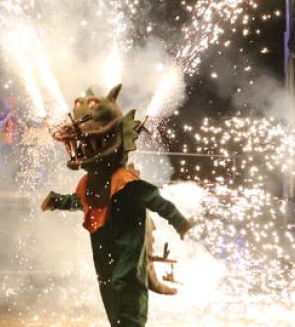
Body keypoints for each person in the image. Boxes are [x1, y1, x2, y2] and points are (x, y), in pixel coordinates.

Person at [41, 85, 193, 327]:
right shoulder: (88, 183)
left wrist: (181, 223)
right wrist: (58, 200)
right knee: (107, 282)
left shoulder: (126, 182)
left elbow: (157, 201)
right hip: (102, 239)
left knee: (125, 279)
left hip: (129, 242)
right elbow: (80, 201)